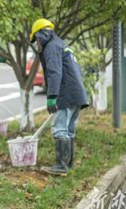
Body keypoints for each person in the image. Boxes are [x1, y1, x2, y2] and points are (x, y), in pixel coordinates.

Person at [29, 18, 88, 176]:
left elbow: (54, 72)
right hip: (77, 94)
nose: (36, 44)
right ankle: (68, 164)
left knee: (60, 129)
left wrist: (52, 96)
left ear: (41, 35)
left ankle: (61, 166)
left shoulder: (52, 47)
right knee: (69, 130)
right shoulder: (60, 43)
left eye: (36, 40)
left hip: (66, 94)